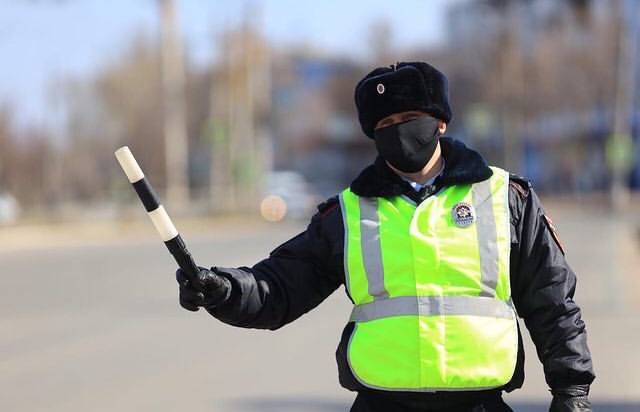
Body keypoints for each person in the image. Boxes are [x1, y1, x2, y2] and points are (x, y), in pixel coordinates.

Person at [176, 61, 595, 412]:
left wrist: (571, 390)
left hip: (481, 403)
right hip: (381, 403)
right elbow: (279, 288)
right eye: (385, 124)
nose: (398, 131)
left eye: (409, 119)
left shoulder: (506, 198)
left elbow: (553, 303)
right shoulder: (347, 213)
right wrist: (222, 289)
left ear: (440, 122)